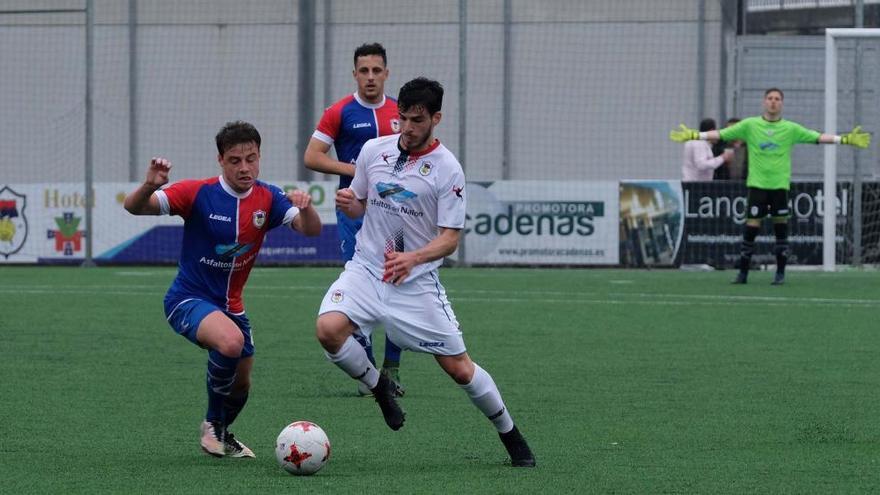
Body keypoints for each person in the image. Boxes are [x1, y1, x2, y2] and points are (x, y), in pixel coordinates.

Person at [315, 77, 536, 467]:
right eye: (402, 118)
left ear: (436, 118)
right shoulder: (373, 150)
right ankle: (378, 387)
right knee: (328, 330)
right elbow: (362, 205)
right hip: (367, 269)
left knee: (460, 370)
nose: (408, 128)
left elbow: (450, 239)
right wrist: (351, 203)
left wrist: (413, 259)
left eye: (418, 120)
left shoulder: (448, 169)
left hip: (414, 284)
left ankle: (511, 436)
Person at [123, 121, 322, 458]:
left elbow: (311, 231)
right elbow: (134, 206)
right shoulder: (197, 193)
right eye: (235, 160)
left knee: (242, 383)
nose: (245, 167)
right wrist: (148, 185)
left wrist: (307, 207)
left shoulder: (269, 197)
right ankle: (212, 425)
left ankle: (224, 433)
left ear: (260, 157)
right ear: (220, 160)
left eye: (251, 158)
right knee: (231, 343)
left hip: (233, 307)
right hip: (187, 299)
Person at [670, 88, 870, 284]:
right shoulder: (750, 125)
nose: (773, 101)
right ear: (764, 102)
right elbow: (721, 134)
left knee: (780, 230)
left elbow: (817, 137)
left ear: (781, 103)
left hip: (779, 187)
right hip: (757, 186)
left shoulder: (790, 129)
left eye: (777, 98)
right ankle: (743, 274)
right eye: (770, 98)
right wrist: (695, 135)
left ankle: (780, 273)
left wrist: (845, 139)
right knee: (751, 229)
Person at [304, 42, 405, 396]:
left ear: (387, 73)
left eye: (377, 70)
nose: (371, 77)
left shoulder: (399, 111)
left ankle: (392, 368)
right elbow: (312, 156)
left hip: (395, 213)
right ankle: (369, 370)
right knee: (359, 284)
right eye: (364, 71)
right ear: (355, 74)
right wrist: (356, 169)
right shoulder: (340, 112)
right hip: (353, 211)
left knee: (397, 284)